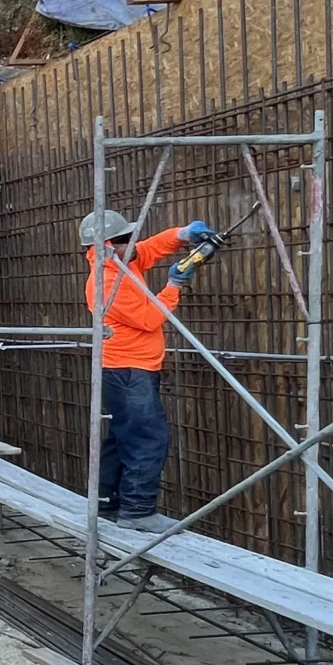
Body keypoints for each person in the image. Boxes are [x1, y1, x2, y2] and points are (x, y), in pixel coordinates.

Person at [81, 209, 220, 535]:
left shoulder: (120, 263)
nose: (133, 243)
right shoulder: (106, 283)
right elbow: (149, 318)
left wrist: (182, 234)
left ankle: (106, 503)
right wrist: (174, 285)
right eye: (125, 239)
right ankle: (137, 511)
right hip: (129, 371)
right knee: (148, 438)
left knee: (123, 436)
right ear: (107, 246)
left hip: (129, 370)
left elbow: (150, 248)